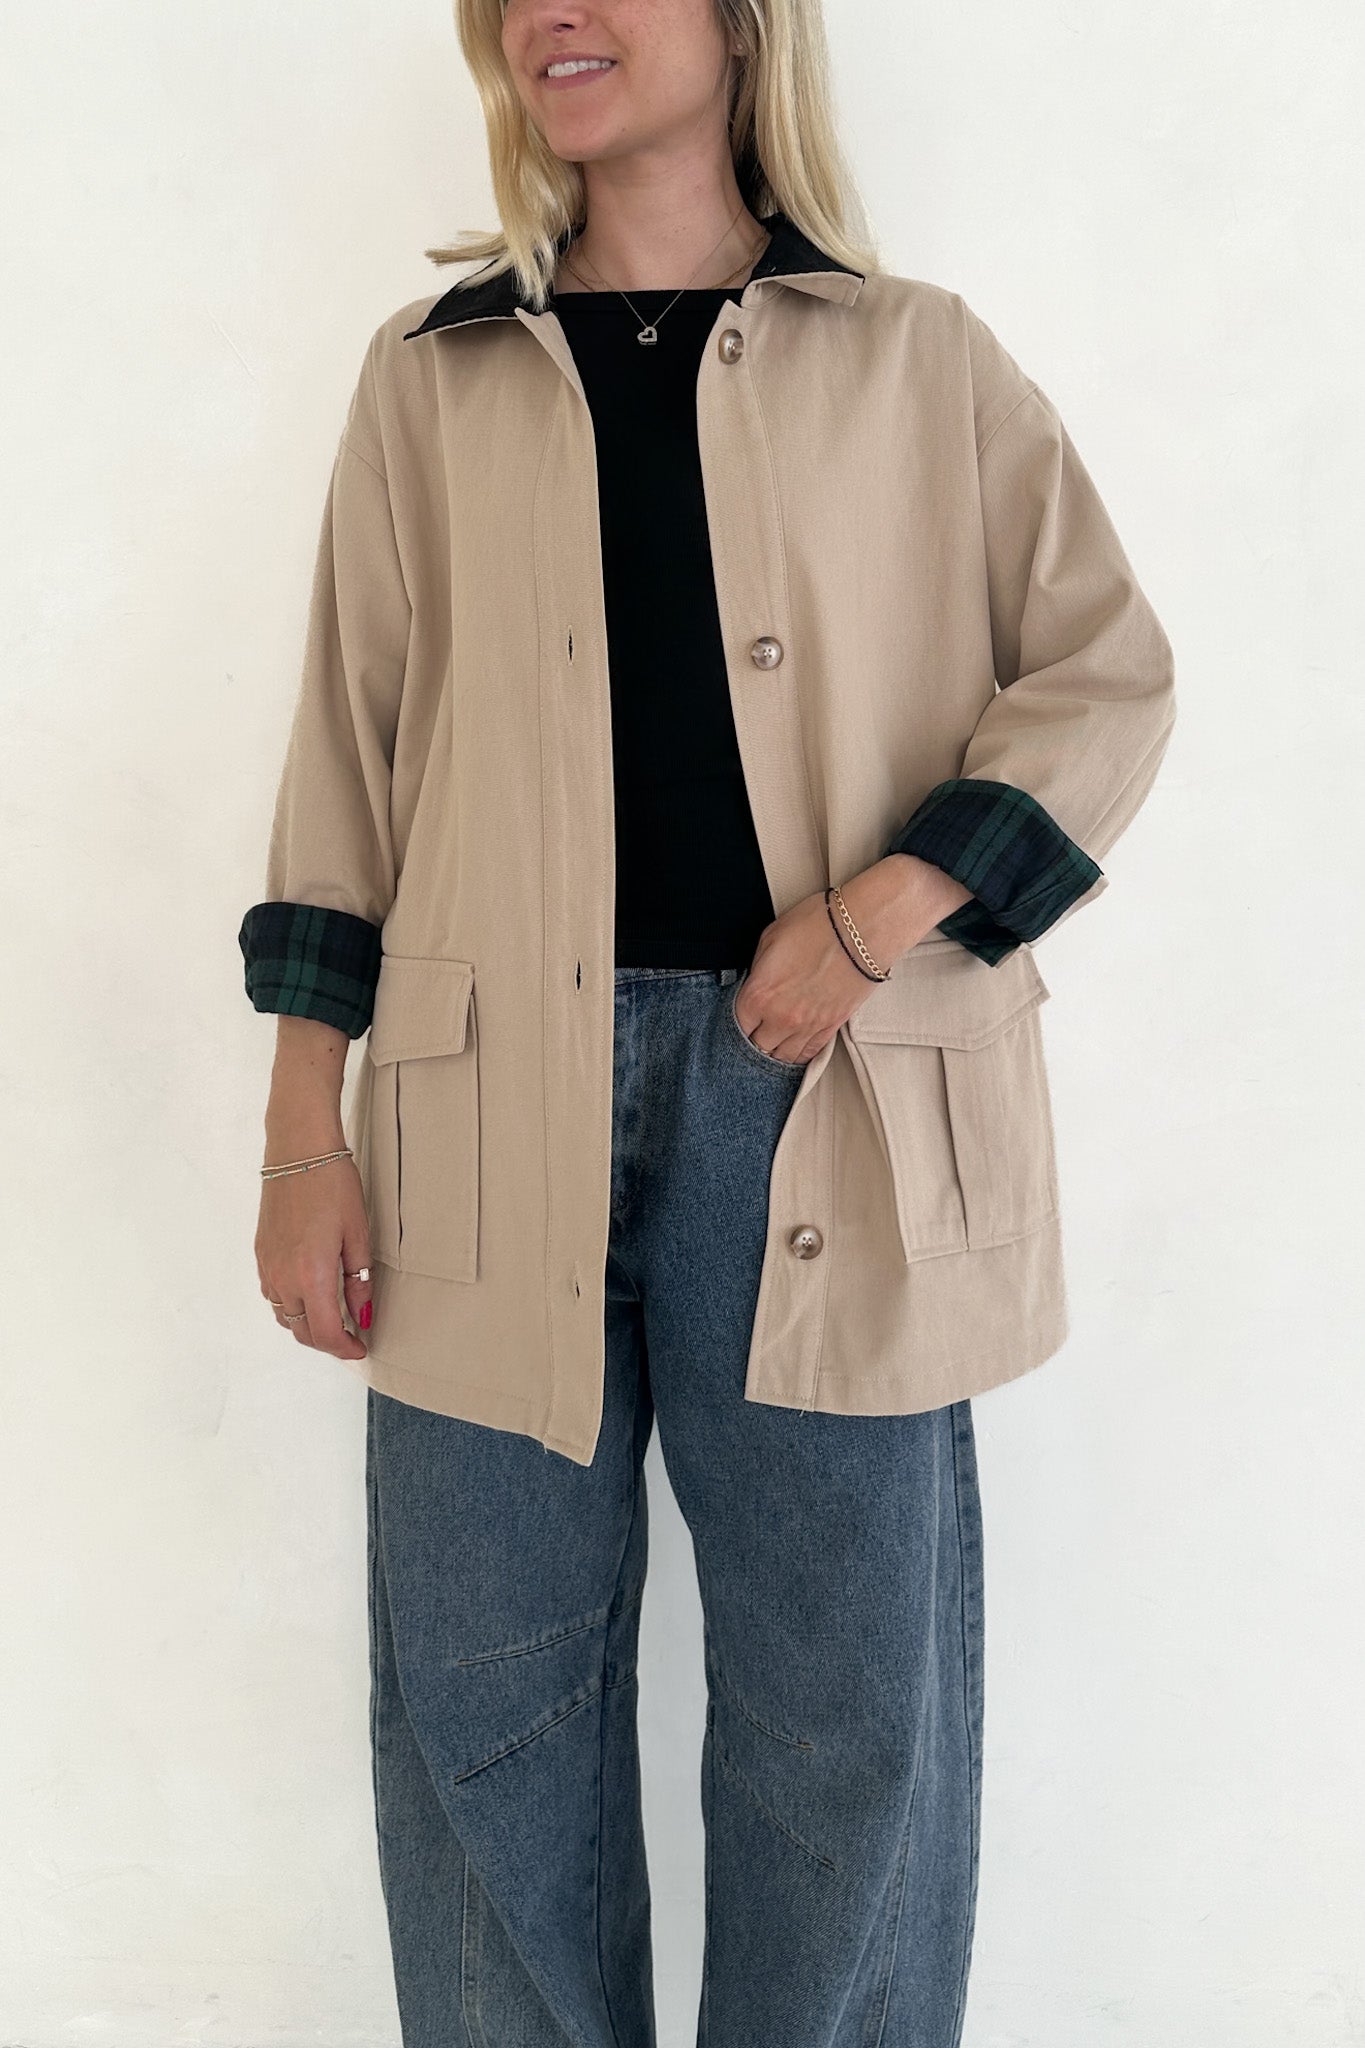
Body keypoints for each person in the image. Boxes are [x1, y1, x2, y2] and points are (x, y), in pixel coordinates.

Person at [237, 0, 1176, 2039]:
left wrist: (877, 913)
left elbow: (1105, 677)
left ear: (745, 26)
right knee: (481, 1724)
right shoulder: (431, 378)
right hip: (480, 1117)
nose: (552, 13)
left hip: (824, 1096)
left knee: (845, 1729)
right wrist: (306, 1127)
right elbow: (345, 766)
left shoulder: (917, 359)